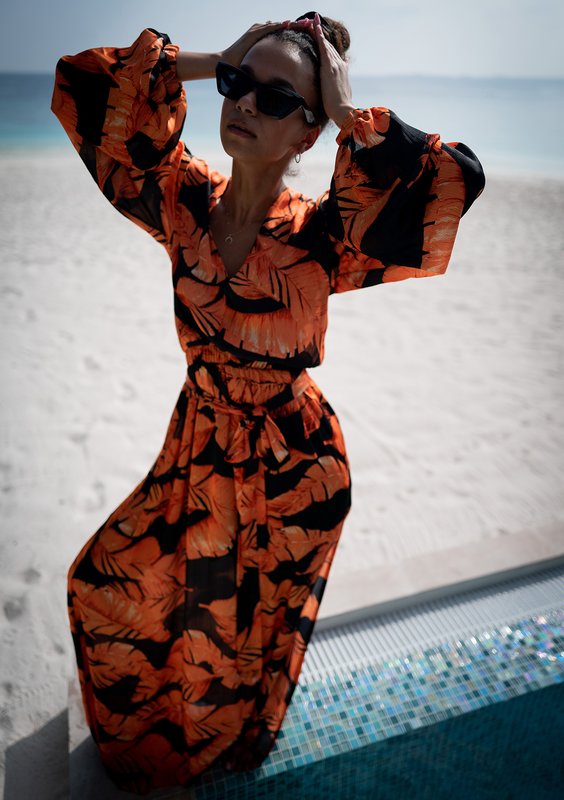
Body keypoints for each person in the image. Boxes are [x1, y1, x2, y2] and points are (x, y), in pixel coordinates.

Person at [52, 11, 485, 796]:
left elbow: (454, 180)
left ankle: (223, 754)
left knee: (243, 636)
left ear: (309, 133)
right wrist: (218, 58)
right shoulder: (181, 199)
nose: (246, 104)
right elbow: (88, 86)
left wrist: (350, 112)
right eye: (238, 86)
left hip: (294, 469)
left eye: (277, 99)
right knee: (103, 586)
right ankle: (161, 753)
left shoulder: (326, 236)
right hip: (198, 443)